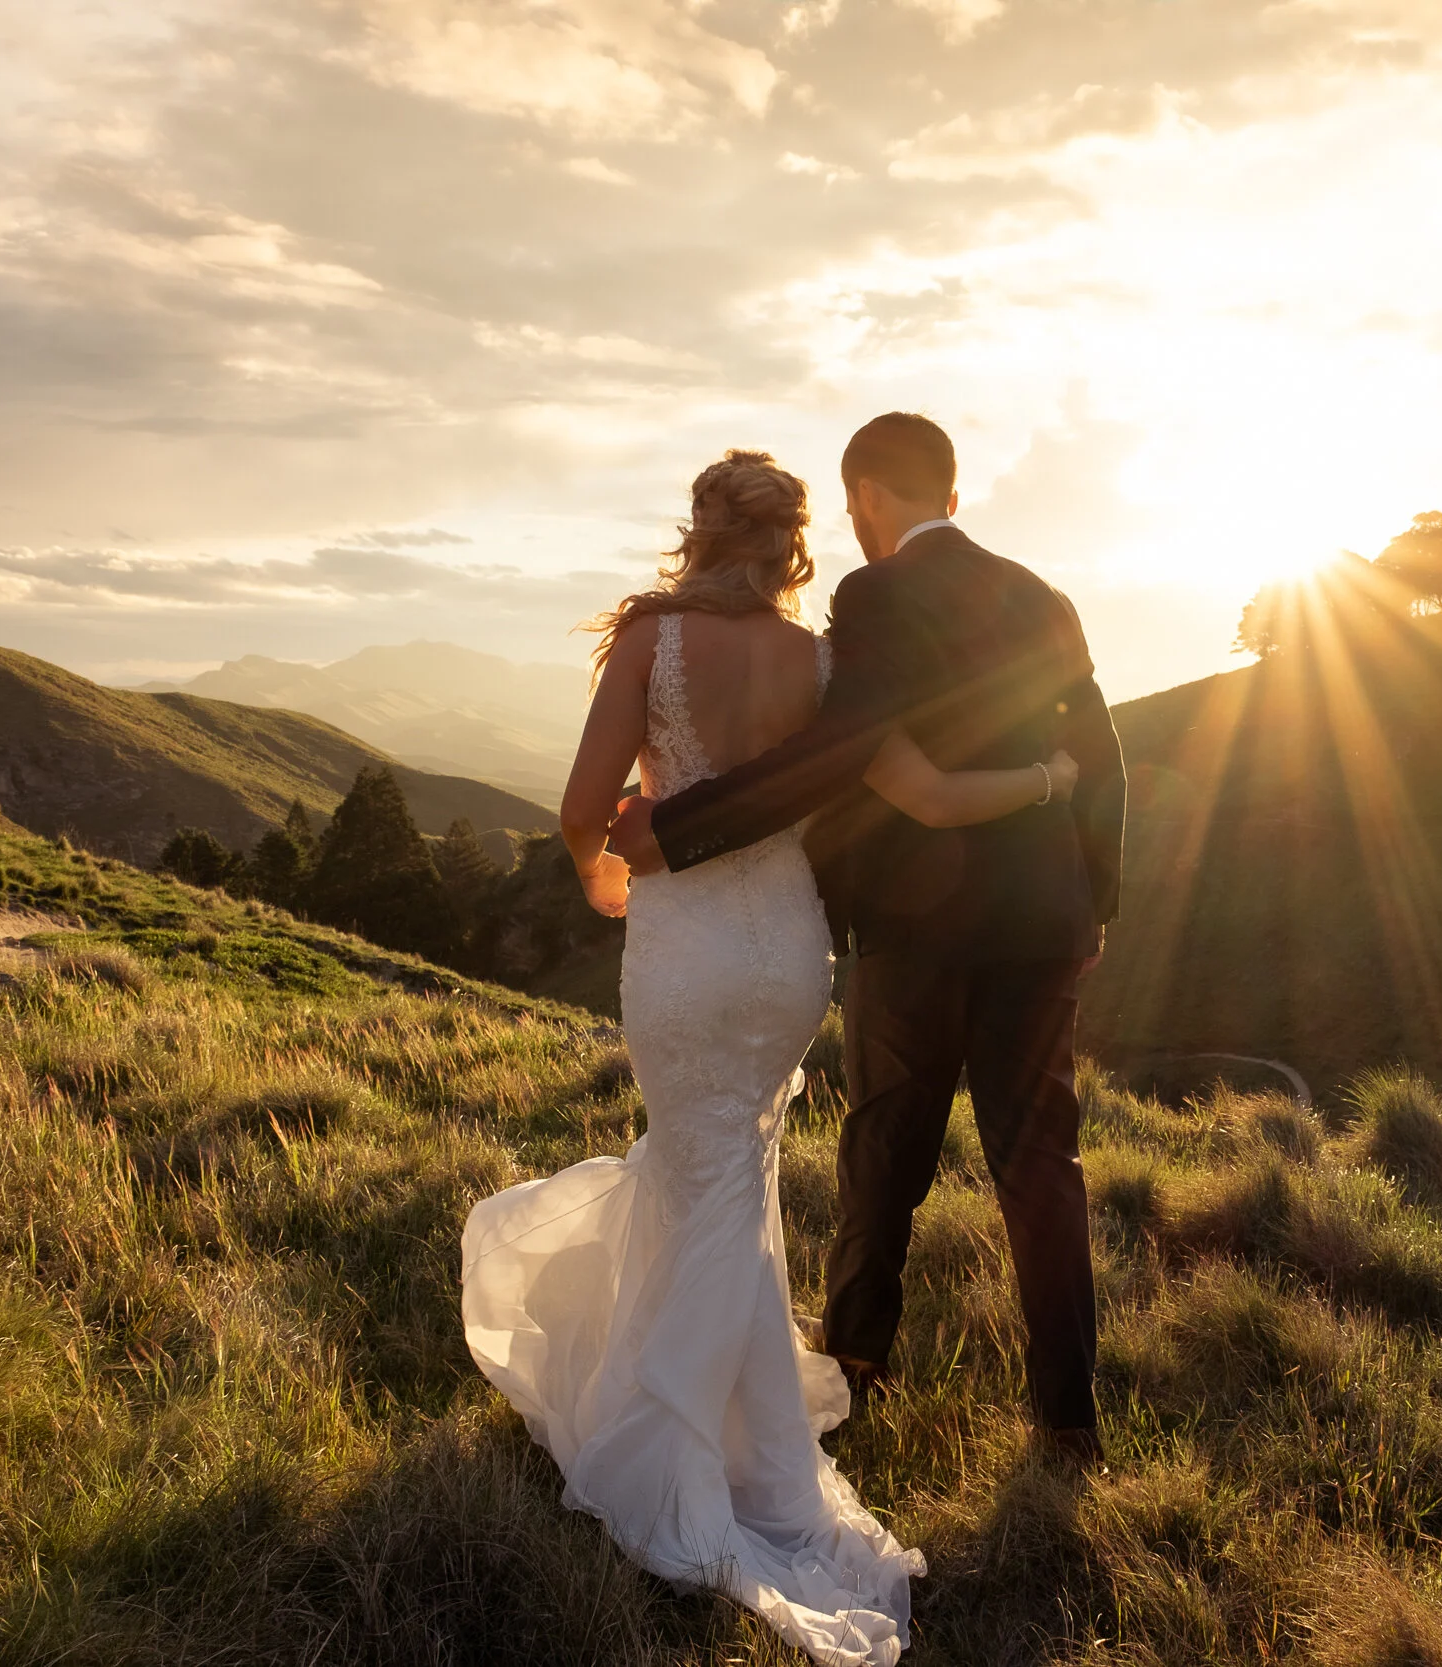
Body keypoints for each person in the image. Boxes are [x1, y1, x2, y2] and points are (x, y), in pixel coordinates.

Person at [460, 448, 1078, 1667]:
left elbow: (586, 802)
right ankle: (765, 1462)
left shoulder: (653, 636)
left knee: (707, 1174)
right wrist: (1052, 775)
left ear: (697, 529)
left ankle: (692, 1464)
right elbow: (932, 796)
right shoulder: (828, 663)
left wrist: (601, 876)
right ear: (797, 539)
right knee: (729, 1180)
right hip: (790, 952)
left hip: (688, 951)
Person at [608, 412, 1127, 1470]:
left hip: (918, 924)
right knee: (1042, 1166)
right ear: (950, 488)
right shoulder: (1044, 596)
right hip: (1042, 924)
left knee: (887, 1150)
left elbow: (840, 753)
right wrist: (1096, 906)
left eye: (854, 511)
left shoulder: (877, 594)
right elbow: (1099, 753)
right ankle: (1069, 1420)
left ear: (868, 497)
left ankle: (853, 1372)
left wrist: (678, 830)